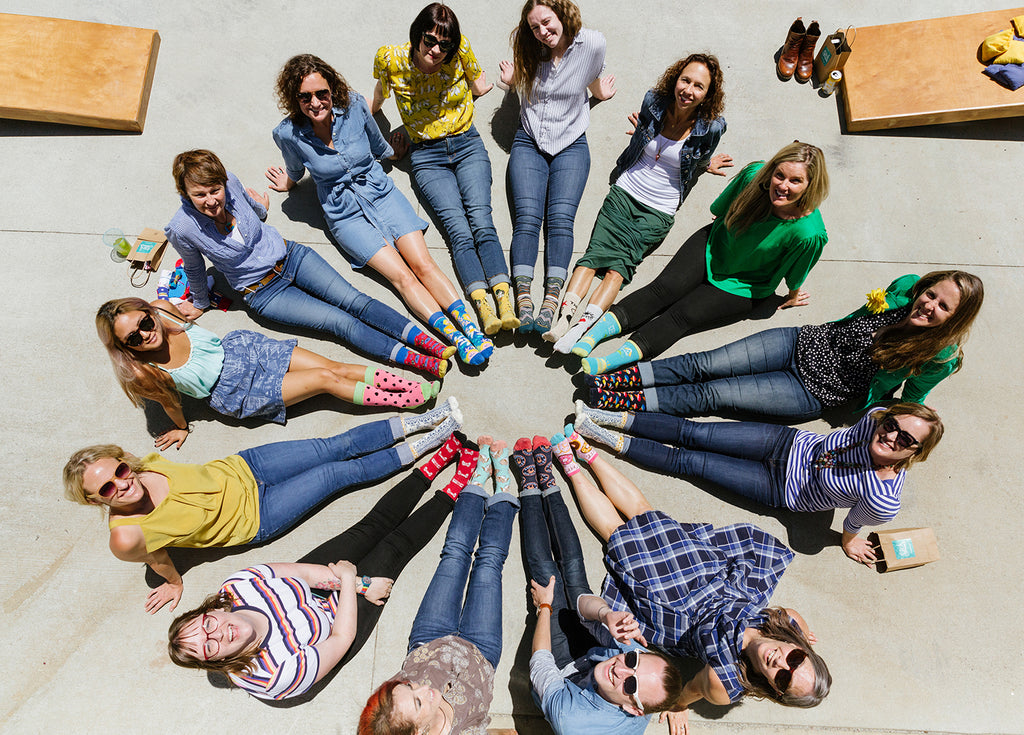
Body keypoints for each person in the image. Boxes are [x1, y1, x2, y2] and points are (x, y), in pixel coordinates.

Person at [62, 399, 461, 614]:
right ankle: (427, 445)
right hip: (258, 515)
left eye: (117, 470)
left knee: (331, 446)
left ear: (122, 460)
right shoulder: (126, 535)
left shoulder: (140, 464)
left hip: (246, 466)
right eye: (107, 489)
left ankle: (426, 420)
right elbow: (154, 555)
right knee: (336, 474)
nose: (121, 484)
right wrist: (173, 580)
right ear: (94, 501)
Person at [554, 428, 831, 731]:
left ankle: (570, 466)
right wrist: (803, 633)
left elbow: (692, 688)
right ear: (801, 648)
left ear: (774, 690)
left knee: (617, 535)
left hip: (677, 610)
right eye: (796, 659)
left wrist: (678, 705)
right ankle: (588, 454)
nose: (781, 663)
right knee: (646, 514)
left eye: (783, 678)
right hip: (713, 576)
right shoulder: (787, 622)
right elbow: (797, 625)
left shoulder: (725, 682)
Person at [166, 434, 481, 700]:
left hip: (312, 586)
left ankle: (430, 468)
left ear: (210, 611)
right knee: (393, 549)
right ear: (216, 661)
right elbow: (340, 639)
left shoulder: (237, 587)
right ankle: (454, 488)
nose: (219, 634)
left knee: (370, 528)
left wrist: (357, 582)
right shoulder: (273, 676)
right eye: (210, 647)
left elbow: (301, 572)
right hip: (337, 622)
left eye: (207, 625)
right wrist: (354, 586)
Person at [266, 55, 491, 366]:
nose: (315, 103)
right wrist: (288, 183)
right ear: (295, 98)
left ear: (332, 89)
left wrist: (393, 152)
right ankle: (453, 338)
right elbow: (295, 165)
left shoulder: (356, 104)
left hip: (381, 193)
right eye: (305, 97)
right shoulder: (288, 133)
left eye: (322, 93)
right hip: (344, 214)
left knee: (423, 264)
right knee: (402, 278)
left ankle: (470, 329)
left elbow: (376, 143)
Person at [165, 149, 452, 378]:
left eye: (215, 190)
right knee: (340, 323)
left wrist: (261, 208)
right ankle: (418, 360)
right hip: (264, 293)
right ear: (184, 194)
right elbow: (193, 267)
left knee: (355, 300)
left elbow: (248, 205)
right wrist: (200, 302)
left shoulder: (230, 179)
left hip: (292, 257)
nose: (211, 200)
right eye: (199, 195)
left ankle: (431, 344)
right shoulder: (182, 227)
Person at [574, 401, 943, 566]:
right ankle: (600, 417)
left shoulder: (883, 497)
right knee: (694, 431)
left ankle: (599, 437)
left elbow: (853, 523)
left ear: (917, 453)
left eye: (907, 440)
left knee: (686, 461)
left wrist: (849, 541)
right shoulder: (875, 419)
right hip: (785, 442)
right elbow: (878, 416)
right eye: (894, 425)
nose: (893, 436)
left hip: (777, 487)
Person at [573, 141, 831, 375]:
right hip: (714, 244)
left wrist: (793, 294)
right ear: (771, 171)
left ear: (810, 185)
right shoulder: (753, 176)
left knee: (683, 315)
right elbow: (719, 209)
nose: (783, 186)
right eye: (779, 175)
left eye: (795, 181)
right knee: (663, 289)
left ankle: (610, 361)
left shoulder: (809, 232)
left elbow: (796, 269)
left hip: (743, 283)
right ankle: (590, 336)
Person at [585, 271, 985, 421]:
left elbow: (914, 393)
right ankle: (615, 381)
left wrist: (904, 412)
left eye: (942, 307)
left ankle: (617, 401)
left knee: (712, 395)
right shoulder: (902, 289)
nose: (928, 305)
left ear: (956, 319)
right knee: (703, 363)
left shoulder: (939, 355)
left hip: (810, 392)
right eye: (930, 294)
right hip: (799, 342)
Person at [542, 54, 732, 353]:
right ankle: (563, 322)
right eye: (686, 80)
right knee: (593, 257)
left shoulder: (711, 128)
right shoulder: (655, 101)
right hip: (625, 190)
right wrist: (645, 136)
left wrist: (705, 164)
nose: (689, 90)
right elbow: (644, 132)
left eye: (699, 86)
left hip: (659, 209)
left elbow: (700, 155)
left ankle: (580, 329)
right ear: (675, 79)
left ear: (708, 94)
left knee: (619, 268)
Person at [96, 298, 441, 450]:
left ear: (147, 311)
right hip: (235, 392)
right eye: (133, 338)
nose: (145, 333)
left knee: (334, 365)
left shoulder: (165, 311)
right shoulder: (145, 373)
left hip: (242, 349)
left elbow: (193, 318)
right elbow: (171, 402)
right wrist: (181, 428)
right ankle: (409, 401)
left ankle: (415, 385)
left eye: (143, 321)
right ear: (126, 348)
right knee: (325, 380)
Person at [514, 434, 684, 734]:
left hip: (562, 672)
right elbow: (584, 609)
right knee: (574, 570)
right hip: (591, 655)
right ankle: (549, 482)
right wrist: (606, 615)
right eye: (633, 659)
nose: (621, 668)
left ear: (634, 709)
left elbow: (541, 665)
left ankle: (529, 485)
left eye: (630, 683)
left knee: (545, 575)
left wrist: (544, 606)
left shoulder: (574, 722)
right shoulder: (631, 666)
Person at [371, 3, 516, 340]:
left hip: (467, 144)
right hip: (425, 155)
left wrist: (486, 87)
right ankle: (482, 305)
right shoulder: (390, 59)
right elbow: (378, 94)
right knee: (458, 232)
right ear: (417, 34)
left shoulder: (459, 49)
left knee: (482, 221)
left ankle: (504, 301)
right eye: (429, 40)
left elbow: (478, 83)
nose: (436, 51)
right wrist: (374, 117)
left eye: (444, 45)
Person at [358, 437, 520, 735]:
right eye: (419, 703)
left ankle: (478, 479)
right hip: (481, 652)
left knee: (454, 553)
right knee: (489, 563)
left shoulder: (394, 708)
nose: (423, 688)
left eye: (408, 687)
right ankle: (504, 490)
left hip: (429, 640)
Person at [498, 0, 616, 333]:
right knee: (527, 219)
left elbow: (592, 71)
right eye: (535, 27)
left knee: (561, 220)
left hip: (571, 142)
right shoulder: (528, 48)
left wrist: (598, 94)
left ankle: (551, 301)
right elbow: (525, 84)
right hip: (530, 139)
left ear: (563, 14)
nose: (543, 32)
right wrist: (511, 83)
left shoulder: (592, 42)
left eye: (547, 23)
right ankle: (523, 298)